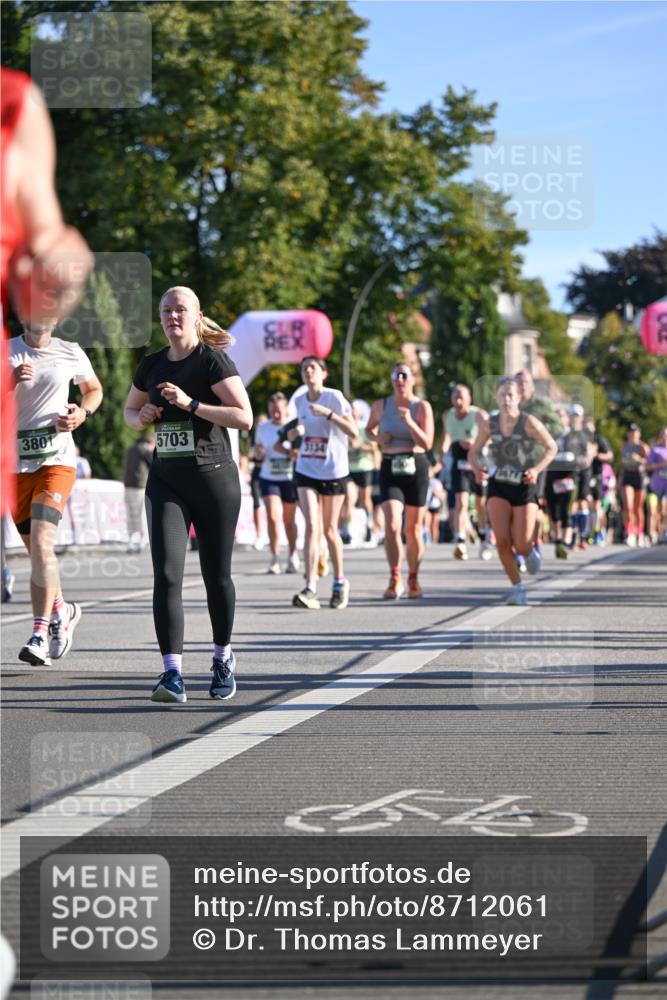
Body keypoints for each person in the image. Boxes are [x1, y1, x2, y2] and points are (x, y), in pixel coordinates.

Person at [124, 286, 252, 703]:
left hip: (214, 479)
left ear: (197, 317)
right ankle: (172, 674)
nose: (172, 316)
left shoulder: (211, 360)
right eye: (166, 310)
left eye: (180, 310)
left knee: (217, 577)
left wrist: (192, 404)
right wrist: (140, 415)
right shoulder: (151, 364)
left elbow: (243, 417)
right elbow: (129, 412)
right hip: (167, 481)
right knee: (166, 575)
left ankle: (222, 657)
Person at [1, 68, 93, 522]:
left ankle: (49, 594)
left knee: (41, 539)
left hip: (44, 453)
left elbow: (52, 240)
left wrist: (61, 271)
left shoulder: (15, 102)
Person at [9, 318, 103, 664]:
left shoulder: (70, 351)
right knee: (37, 554)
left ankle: (39, 631)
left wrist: (82, 413)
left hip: (57, 463)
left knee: (41, 543)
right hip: (15, 467)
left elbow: (93, 389)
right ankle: (62, 610)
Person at [469, 377, 557, 605]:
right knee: (502, 541)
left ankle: (529, 552)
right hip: (498, 484)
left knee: (522, 543)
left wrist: (537, 470)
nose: (507, 400)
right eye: (502, 396)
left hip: (523, 484)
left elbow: (551, 447)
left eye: (511, 395)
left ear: (519, 398)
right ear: (497, 399)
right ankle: (517, 587)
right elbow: (474, 451)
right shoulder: (490, 423)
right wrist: (477, 469)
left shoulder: (529, 422)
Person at [288, 355, 357, 610]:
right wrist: (297, 433)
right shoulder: (298, 400)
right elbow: (304, 428)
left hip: (333, 470)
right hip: (307, 468)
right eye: (304, 368)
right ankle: (310, 587)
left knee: (329, 530)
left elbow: (354, 432)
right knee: (311, 527)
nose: (308, 371)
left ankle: (340, 582)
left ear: (323, 373)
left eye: (313, 367)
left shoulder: (334, 397)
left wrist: (329, 414)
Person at [366, 361, 435, 599]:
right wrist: (377, 438)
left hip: (416, 466)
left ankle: (413, 576)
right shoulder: (381, 405)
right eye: (396, 376)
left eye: (404, 375)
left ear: (413, 380)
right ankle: (395, 576)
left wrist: (410, 423)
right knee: (392, 524)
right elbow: (368, 430)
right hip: (390, 466)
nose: (400, 380)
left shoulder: (421, 407)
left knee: (413, 528)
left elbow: (427, 443)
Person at [440, 384, 489, 561]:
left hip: (477, 459)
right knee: (460, 501)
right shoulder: (448, 415)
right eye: (455, 398)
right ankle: (460, 541)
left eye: (462, 398)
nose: (459, 402)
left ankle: (484, 539)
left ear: (469, 399)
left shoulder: (479, 415)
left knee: (480, 504)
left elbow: (490, 437)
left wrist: (474, 442)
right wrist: (443, 452)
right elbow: (446, 436)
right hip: (459, 460)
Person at [254, 392, 299, 574]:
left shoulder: (295, 425)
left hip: (289, 478)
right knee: (272, 516)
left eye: (279, 410)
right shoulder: (263, 428)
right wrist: (258, 453)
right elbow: (258, 452)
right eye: (273, 411)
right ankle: (274, 557)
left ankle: (293, 554)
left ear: (286, 409)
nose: (276, 414)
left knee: (289, 520)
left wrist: (294, 454)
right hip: (269, 476)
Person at [343, 401, 379, 544]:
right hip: (349, 469)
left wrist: (359, 446)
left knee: (365, 499)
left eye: (354, 410)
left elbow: (374, 448)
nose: (352, 412)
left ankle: (370, 526)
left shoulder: (364, 428)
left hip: (364, 468)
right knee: (349, 499)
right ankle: (348, 530)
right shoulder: (344, 428)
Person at [123, 432, 155, 552]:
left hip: (128, 485)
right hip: (140, 485)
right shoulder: (144, 449)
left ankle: (132, 539)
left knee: (130, 514)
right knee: (141, 513)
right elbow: (152, 464)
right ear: (149, 443)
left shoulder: (130, 449)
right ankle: (143, 539)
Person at [619, 424, 649, 547]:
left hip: (639, 476)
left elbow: (649, 463)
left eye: (635, 431)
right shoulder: (624, 446)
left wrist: (639, 459)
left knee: (638, 508)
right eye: (630, 431)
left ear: (639, 433)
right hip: (627, 475)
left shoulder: (642, 447)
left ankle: (640, 533)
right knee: (628, 506)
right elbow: (621, 463)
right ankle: (629, 532)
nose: (632, 434)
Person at [587, 420, 614, 544]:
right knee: (587, 505)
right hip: (583, 476)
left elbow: (609, 456)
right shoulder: (579, 439)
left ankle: (599, 531)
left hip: (597, 476)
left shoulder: (599, 440)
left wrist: (595, 454)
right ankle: (588, 532)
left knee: (597, 507)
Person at [646, 427, 667, 544]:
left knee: (664, 511)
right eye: (663, 435)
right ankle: (655, 534)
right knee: (654, 511)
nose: (665, 437)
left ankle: (662, 533)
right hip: (655, 486)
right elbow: (647, 466)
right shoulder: (655, 450)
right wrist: (661, 464)